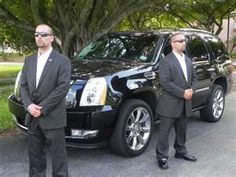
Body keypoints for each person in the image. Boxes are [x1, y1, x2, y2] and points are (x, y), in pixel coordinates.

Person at [20, 24, 71, 177]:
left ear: (52, 38)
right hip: (32, 116)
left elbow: (62, 88)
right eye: (36, 34)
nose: (39, 37)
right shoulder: (29, 61)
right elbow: (23, 86)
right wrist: (29, 106)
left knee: (58, 159)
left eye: (43, 34)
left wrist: (41, 108)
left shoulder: (63, 61)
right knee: (35, 159)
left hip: (52, 116)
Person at [156, 32, 198, 170]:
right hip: (169, 104)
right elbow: (165, 83)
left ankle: (181, 151)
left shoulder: (188, 60)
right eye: (180, 41)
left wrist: (192, 90)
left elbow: (194, 78)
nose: (183, 42)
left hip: (186, 103)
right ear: (173, 43)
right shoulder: (166, 61)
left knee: (182, 130)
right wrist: (182, 93)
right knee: (164, 133)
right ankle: (162, 156)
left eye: (184, 40)